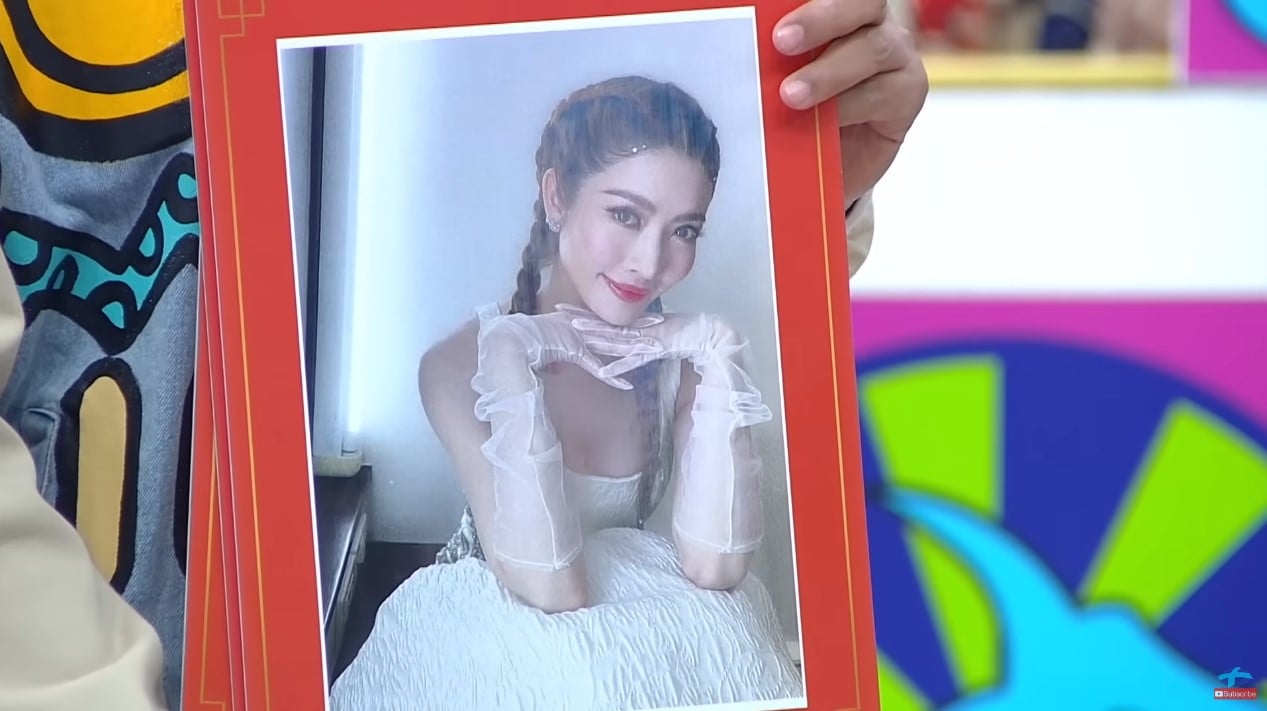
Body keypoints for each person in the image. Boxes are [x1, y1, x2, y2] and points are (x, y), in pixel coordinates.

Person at [0, 1, 927, 709]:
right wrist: (518, 355)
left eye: (683, 229)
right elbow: (547, 578)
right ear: (556, 196)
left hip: (650, 608)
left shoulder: (678, 356)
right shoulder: (463, 361)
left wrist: (749, 286)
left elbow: (716, 567)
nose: (651, 263)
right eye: (624, 214)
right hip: (500, 613)